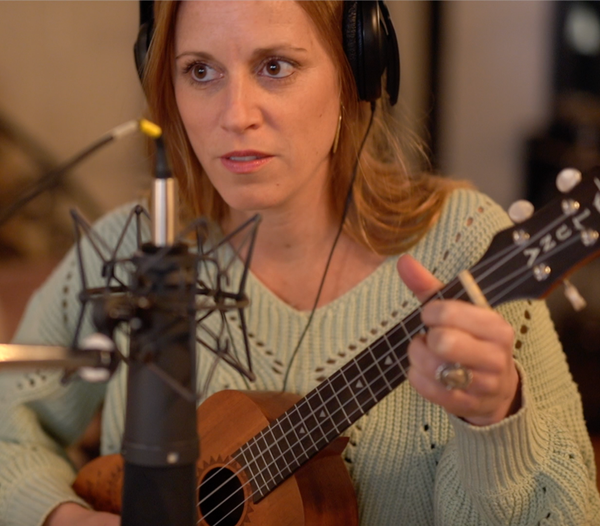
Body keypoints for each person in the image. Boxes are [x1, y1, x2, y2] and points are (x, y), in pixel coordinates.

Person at [1, 1, 599, 525]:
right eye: (201, 71)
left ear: (353, 70)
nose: (235, 114)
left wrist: (495, 420)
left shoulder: (464, 247)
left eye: (275, 67)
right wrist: (60, 516)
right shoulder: (133, 250)